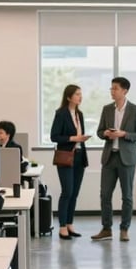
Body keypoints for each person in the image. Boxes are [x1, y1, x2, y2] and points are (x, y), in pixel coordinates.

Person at [91, 77, 136, 242]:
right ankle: (106, 228)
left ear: (125, 91)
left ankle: (124, 229)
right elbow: (99, 131)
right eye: (111, 88)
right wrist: (106, 134)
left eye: (115, 88)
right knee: (105, 195)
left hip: (127, 159)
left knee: (127, 196)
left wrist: (124, 134)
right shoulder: (107, 109)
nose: (112, 91)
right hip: (109, 157)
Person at [50, 84, 90, 240]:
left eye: (81, 94)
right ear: (68, 97)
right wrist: (74, 138)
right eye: (77, 94)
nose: (80, 97)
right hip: (66, 156)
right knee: (67, 191)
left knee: (74, 193)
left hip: (80, 156)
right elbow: (54, 136)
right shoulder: (61, 114)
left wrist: (82, 139)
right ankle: (61, 227)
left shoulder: (80, 114)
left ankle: (69, 224)